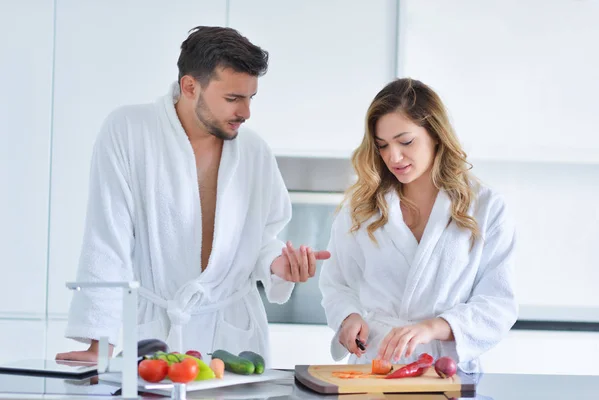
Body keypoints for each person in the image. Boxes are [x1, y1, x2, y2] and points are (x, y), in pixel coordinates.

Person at [55, 26, 330, 366]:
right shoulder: (130, 131)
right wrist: (101, 340)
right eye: (233, 98)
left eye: (250, 98)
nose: (246, 112)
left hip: (234, 337)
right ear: (189, 87)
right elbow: (107, 237)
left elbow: (261, 240)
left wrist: (278, 266)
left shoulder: (254, 151)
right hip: (157, 330)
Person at [319, 78, 517, 373]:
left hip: (445, 369)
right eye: (382, 146)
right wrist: (348, 317)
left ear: (435, 134)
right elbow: (337, 283)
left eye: (406, 141)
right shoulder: (361, 209)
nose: (393, 157)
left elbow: (498, 304)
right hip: (375, 366)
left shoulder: (484, 207)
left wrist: (434, 328)